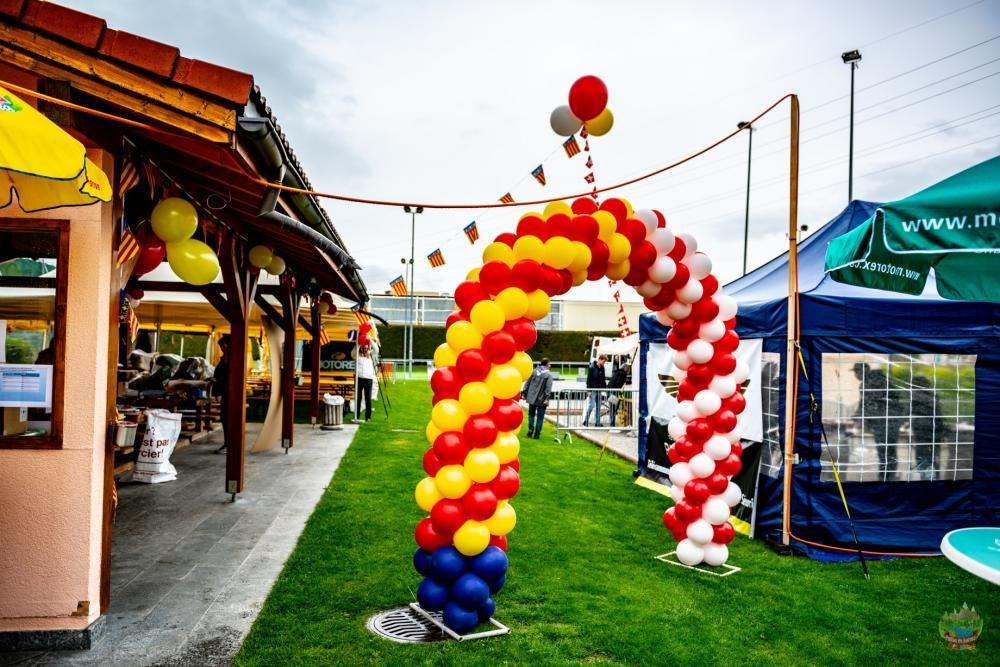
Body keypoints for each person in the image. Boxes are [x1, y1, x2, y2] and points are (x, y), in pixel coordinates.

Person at [853, 362, 904, 480]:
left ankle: (885, 477)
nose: (855, 375)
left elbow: (866, 404)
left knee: (884, 451)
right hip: (893, 420)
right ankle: (888, 476)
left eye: (856, 372)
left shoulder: (868, 384)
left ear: (862, 372)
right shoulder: (882, 380)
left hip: (882, 422)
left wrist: (857, 418)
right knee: (889, 450)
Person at [909, 375, 950, 480]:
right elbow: (938, 415)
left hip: (921, 431)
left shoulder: (915, 396)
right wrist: (942, 430)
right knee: (932, 457)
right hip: (934, 431)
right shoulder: (933, 395)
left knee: (923, 457)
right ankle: (933, 477)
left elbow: (912, 413)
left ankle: (927, 478)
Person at [523, 358, 553, 439]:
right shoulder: (548, 375)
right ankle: (537, 434)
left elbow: (527, 383)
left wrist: (525, 393)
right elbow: (548, 388)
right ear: (546, 364)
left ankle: (530, 428)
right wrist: (547, 398)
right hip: (542, 399)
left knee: (531, 414)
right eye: (549, 364)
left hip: (532, 397)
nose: (550, 365)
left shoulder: (534, 371)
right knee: (540, 417)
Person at [213, 335, 231, 454]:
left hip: (233, 394)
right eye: (221, 346)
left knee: (230, 419)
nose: (222, 348)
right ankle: (227, 443)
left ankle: (230, 445)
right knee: (225, 418)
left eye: (224, 345)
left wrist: (218, 380)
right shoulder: (224, 359)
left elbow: (230, 377)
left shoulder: (234, 360)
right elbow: (220, 375)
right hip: (225, 393)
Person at [583, 354, 607, 427]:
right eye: (603, 361)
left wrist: (605, 388)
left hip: (599, 390)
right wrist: (589, 390)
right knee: (591, 405)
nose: (604, 363)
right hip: (593, 390)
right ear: (599, 359)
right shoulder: (592, 368)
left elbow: (603, 379)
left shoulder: (602, 368)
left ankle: (597, 422)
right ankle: (586, 420)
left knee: (598, 407)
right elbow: (588, 380)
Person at [355, 346, 375, 421]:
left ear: (368, 349)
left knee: (368, 398)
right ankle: (356, 415)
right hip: (359, 378)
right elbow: (353, 353)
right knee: (358, 398)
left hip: (368, 379)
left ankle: (368, 417)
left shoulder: (372, 356)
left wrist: (370, 341)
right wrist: (359, 344)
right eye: (363, 348)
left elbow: (376, 349)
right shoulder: (357, 356)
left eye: (366, 348)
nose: (365, 350)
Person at [607, 361, 629, 426]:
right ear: (625, 368)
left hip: (610, 390)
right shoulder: (622, 374)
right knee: (613, 407)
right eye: (627, 368)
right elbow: (618, 384)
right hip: (613, 391)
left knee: (612, 407)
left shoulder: (618, 372)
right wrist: (619, 392)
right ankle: (612, 423)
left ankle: (612, 422)